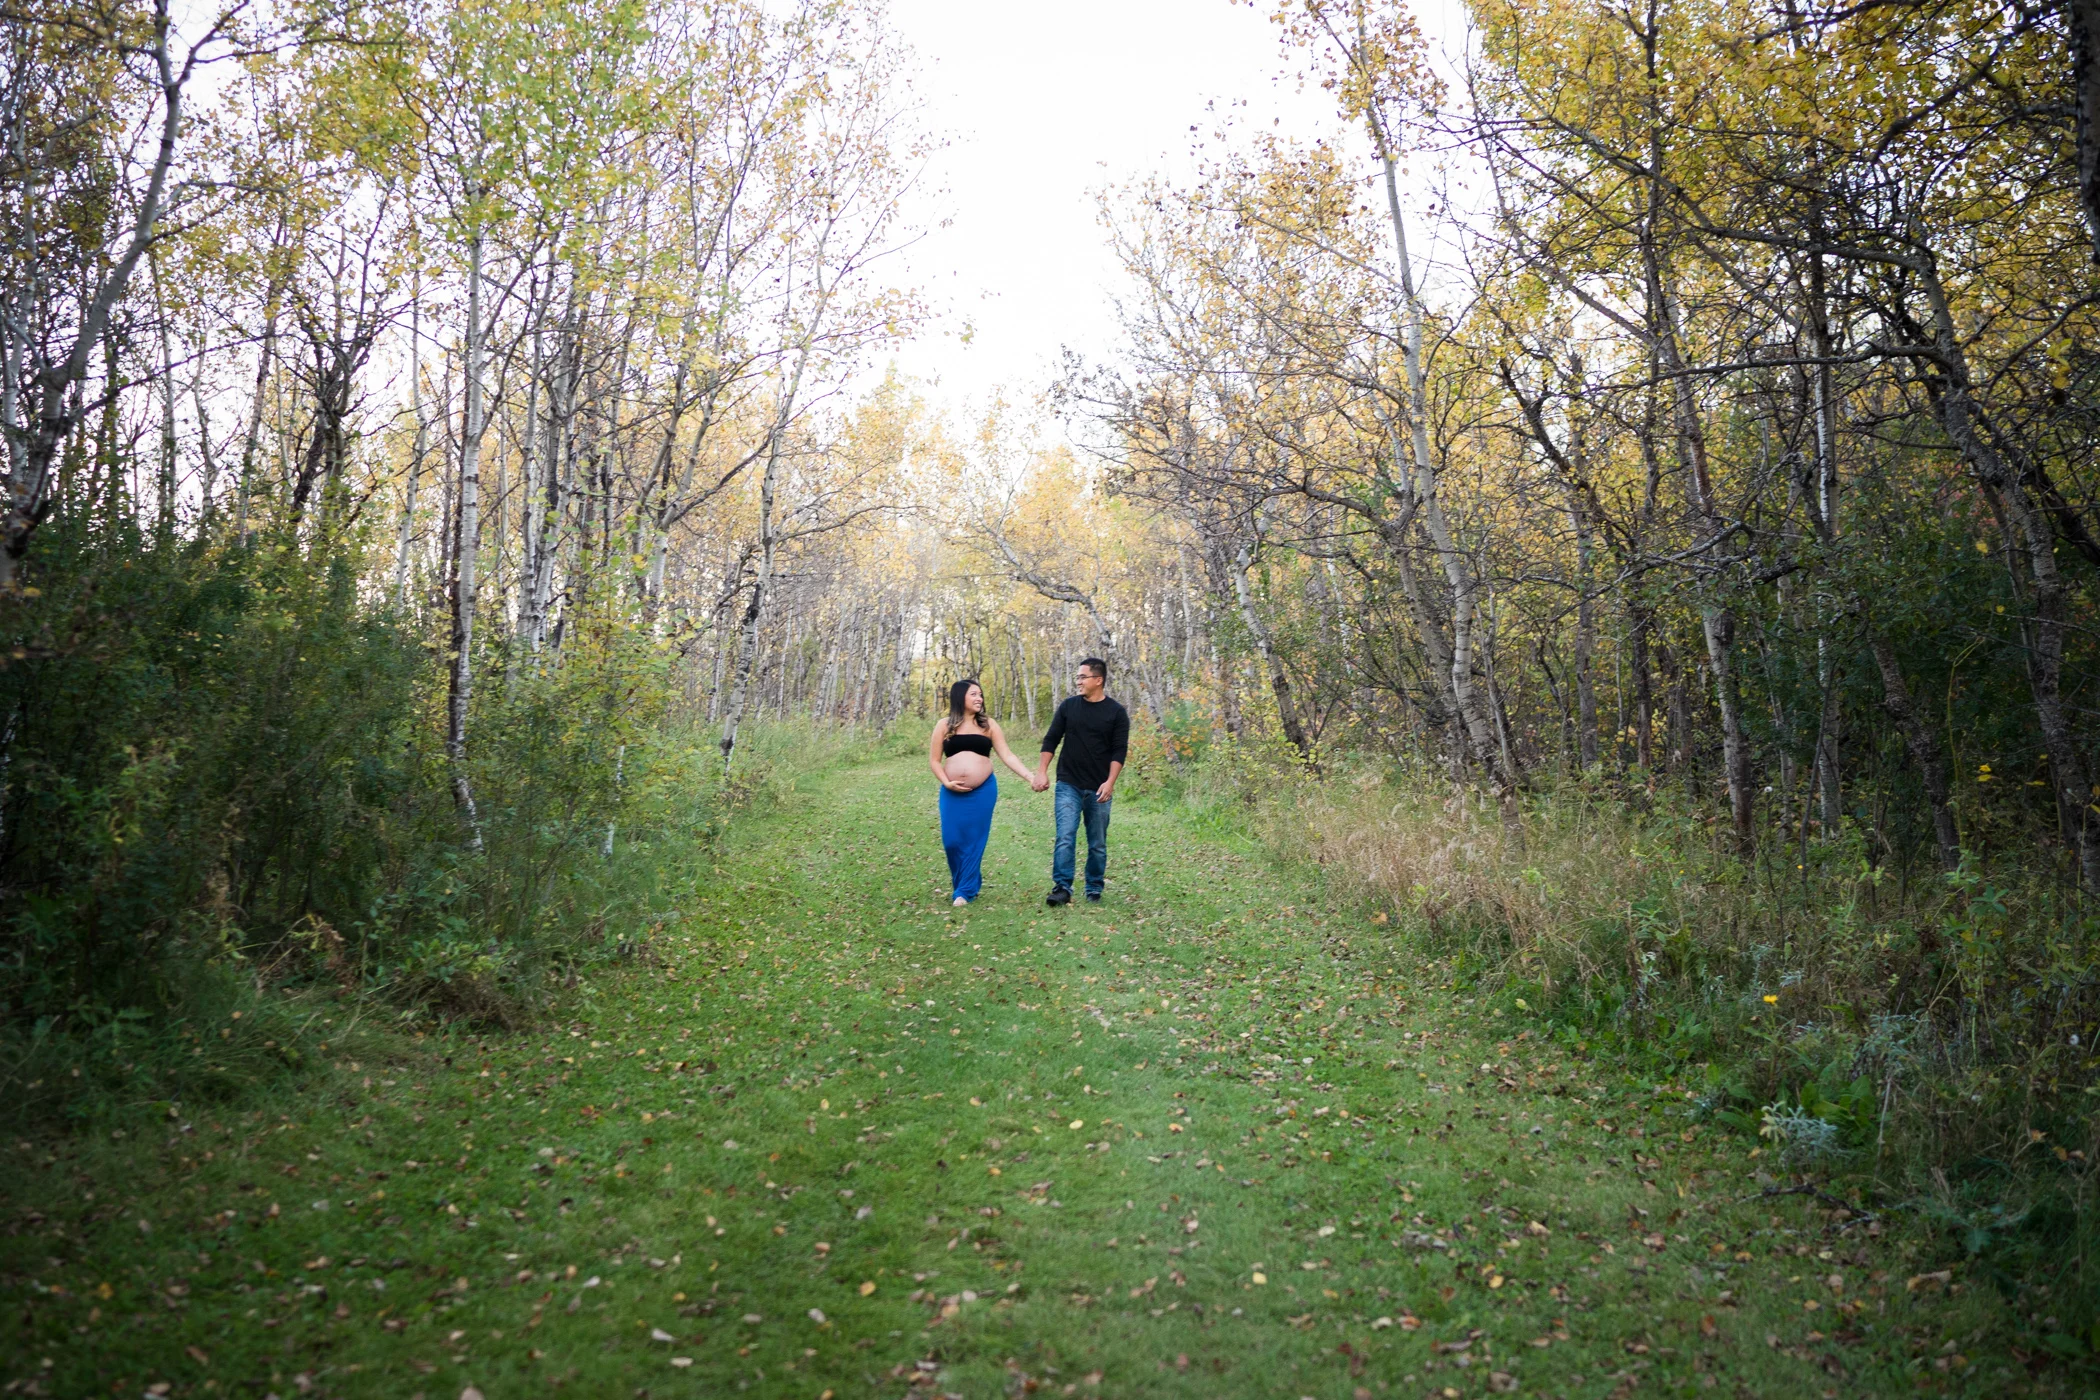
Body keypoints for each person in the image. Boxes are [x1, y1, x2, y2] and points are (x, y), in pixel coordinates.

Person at [927, 678, 1044, 907]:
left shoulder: (988, 725)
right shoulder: (944, 725)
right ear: (960, 696)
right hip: (951, 791)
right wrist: (946, 782)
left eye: (980, 694)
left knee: (974, 838)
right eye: (973, 694)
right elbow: (934, 760)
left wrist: (1030, 777)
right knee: (952, 840)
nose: (979, 698)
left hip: (983, 791)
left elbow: (1007, 755)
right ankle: (966, 883)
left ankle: (965, 890)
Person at [1035, 657, 1129, 906]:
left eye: (1082, 677)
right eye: (1077, 677)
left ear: (1098, 680)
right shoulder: (1069, 707)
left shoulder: (1116, 712)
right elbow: (1051, 739)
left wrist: (1110, 782)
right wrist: (1042, 771)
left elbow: (1119, 750)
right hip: (1069, 783)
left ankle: (1094, 888)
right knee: (1065, 835)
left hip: (1099, 787)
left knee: (1097, 843)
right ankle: (1062, 888)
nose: (1078, 681)